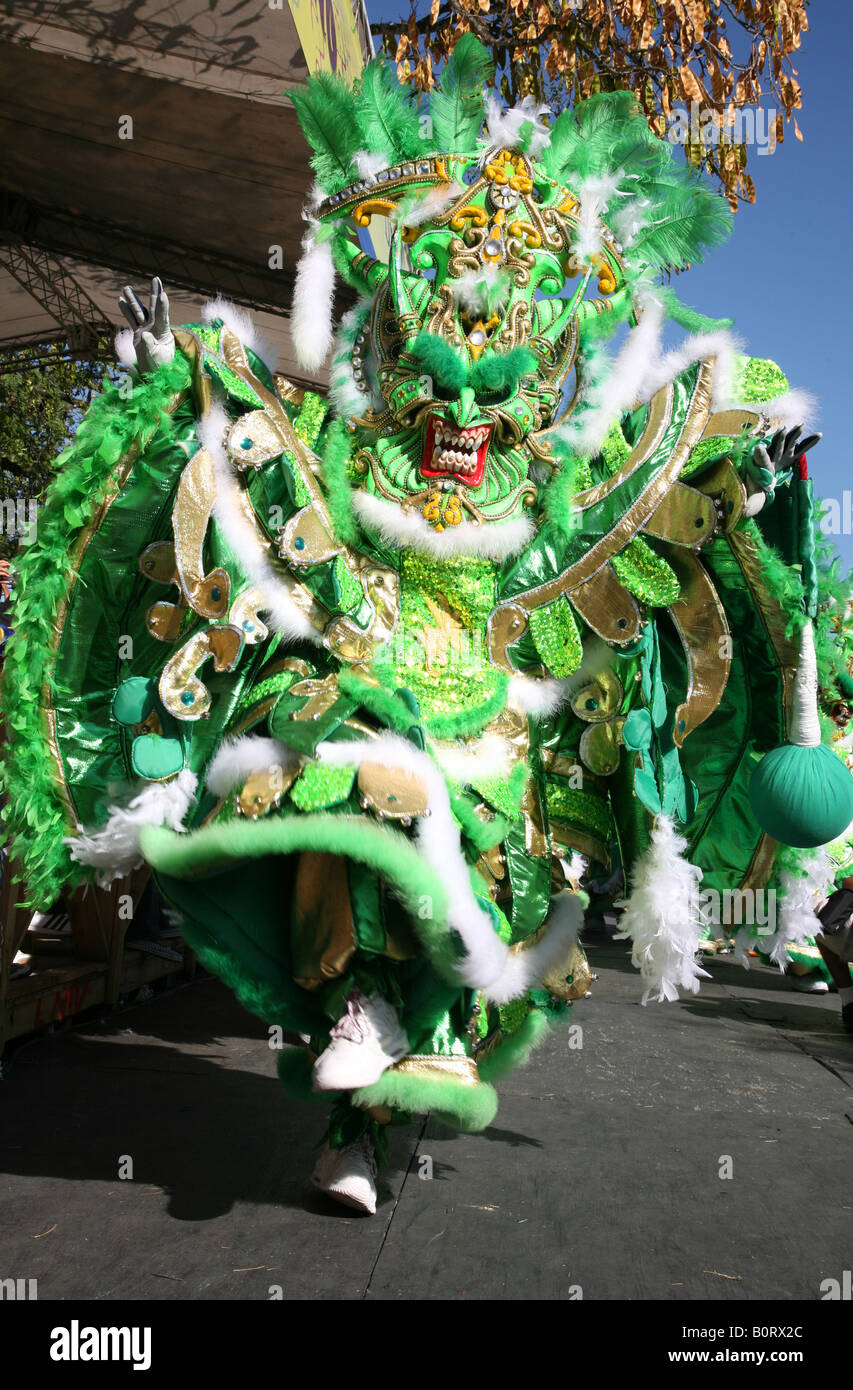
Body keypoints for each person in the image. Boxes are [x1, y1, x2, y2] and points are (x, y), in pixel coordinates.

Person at [3, 40, 852, 1214]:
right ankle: (370, 1047)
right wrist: (179, 397)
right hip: (369, 671)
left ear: (539, 380)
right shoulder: (363, 463)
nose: (460, 415)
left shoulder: (547, 499)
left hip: (505, 730)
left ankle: (377, 1119)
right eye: (440, 378)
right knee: (350, 778)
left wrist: (745, 478)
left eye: (491, 386)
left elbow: (654, 498)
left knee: (469, 927)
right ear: (399, 356)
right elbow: (270, 471)